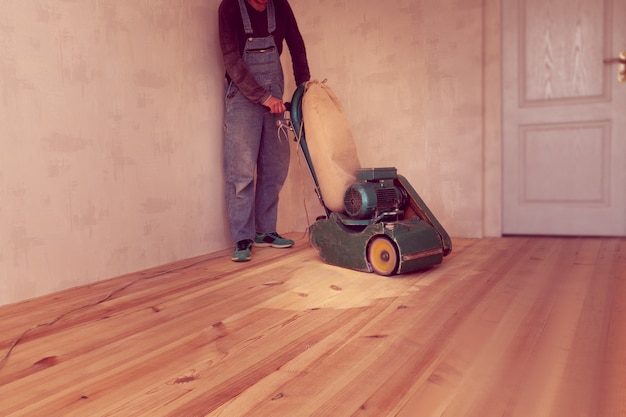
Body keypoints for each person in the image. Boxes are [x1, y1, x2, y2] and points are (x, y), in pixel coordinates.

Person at [218, 0, 311, 262]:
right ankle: (243, 238)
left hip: (275, 100)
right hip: (241, 99)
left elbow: (296, 44)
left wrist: (304, 86)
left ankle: (265, 231)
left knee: (275, 166)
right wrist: (263, 97)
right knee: (241, 173)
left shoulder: (280, 6)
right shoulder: (229, 8)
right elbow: (231, 59)